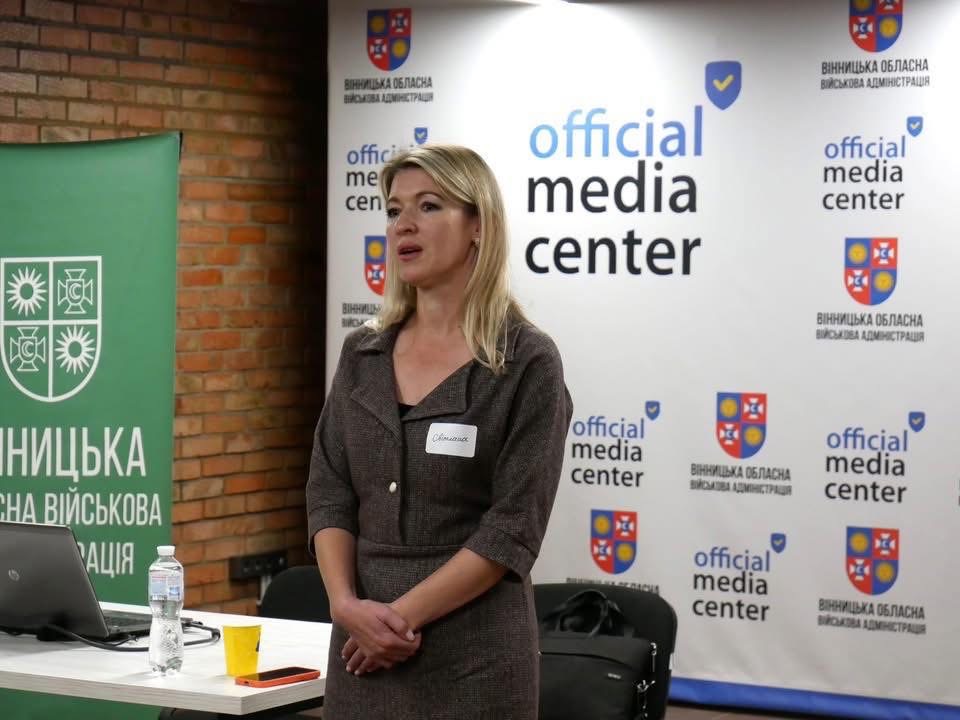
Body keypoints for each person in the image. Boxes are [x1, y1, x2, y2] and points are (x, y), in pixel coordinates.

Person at [306, 144, 573, 719]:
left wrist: (395, 620)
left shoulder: (525, 361)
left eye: (428, 206)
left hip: (473, 659)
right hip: (360, 650)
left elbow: (512, 529)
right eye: (393, 209)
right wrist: (344, 605)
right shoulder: (362, 353)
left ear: (478, 225)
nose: (402, 224)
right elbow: (329, 492)